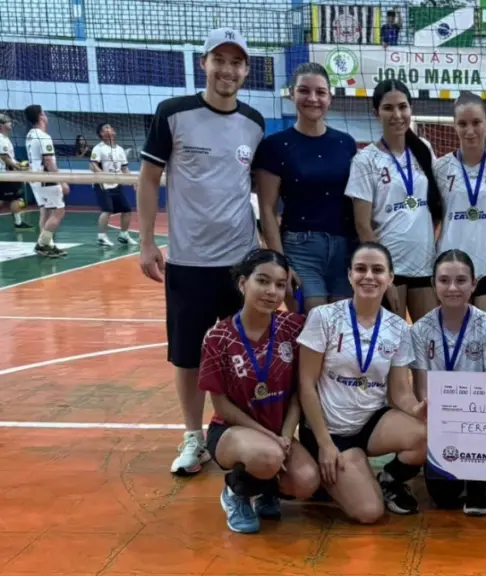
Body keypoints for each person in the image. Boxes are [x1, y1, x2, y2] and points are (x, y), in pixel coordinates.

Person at [137, 28, 265, 475]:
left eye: (237, 62)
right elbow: (150, 179)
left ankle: (236, 431)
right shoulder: (173, 113)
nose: (228, 70)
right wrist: (147, 241)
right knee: (188, 355)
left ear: (246, 70)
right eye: (220, 60)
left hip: (241, 265)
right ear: (203, 63)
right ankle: (193, 437)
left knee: (242, 353)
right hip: (188, 262)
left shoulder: (254, 122)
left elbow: (255, 191)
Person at [296, 242, 427, 521]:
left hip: (370, 423)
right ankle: (333, 471)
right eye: (361, 269)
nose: (369, 276)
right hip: (329, 430)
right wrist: (325, 444)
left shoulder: (399, 328)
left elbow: (400, 392)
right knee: (369, 513)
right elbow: (305, 384)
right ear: (349, 275)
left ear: (390, 278)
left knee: (428, 435)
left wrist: (417, 410)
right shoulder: (324, 317)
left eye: (378, 270)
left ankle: (389, 480)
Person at [198, 249, 320, 533]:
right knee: (267, 457)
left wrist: (286, 435)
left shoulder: (293, 327)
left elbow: (298, 392)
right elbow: (221, 405)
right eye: (262, 281)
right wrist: (269, 437)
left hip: (280, 432)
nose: (272, 292)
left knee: (306, 481)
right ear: (242, 283)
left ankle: (267, 490)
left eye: (280, 284)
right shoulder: (218, 337)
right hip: (232, 432)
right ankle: (235, 493)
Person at [255, 62, 360, 313]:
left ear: (330, 98)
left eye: (320, 92)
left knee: (341, 329)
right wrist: (280, 263)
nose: (312, 98)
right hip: (300, 249)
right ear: (292, 94)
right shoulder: (275, 146)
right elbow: (267, 210)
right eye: (304, 90)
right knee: (312, 323)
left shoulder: (346, 144)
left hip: (344, 249)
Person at [410, 249, 486, 515]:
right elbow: (420, 387)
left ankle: (479, 479)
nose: (452, 288)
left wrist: (470, 418)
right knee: (444, 497)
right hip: (439, 417)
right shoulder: (420, 330)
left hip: (479, 416)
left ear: (474, 284)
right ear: (433, 284)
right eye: (444, 280)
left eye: (461, 280)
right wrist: (440, 420)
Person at [346, 80, 444, 324]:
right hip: (392, 268)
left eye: (403, 107)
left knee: (430, 346)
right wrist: (383, 275)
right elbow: (362, 225)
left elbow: (436, 206)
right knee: (391, 347)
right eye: (388, 108)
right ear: (376, 113)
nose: (397, 115)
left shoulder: (424, 150)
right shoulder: (365, 160)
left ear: (411, 109)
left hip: (424, 265)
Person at [433, 92, 486, 325]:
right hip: (451, 267)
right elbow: (435, 217)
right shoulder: (440, 167)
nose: (470, 130)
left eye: (476, 122)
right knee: (454, 343)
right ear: (454, 125)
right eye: (463, 123)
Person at [24, 104, 69, 257]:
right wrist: (61, 181)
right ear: (40, 116)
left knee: (45, 211)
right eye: (44, 113)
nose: (46, 116)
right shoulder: (44, 136)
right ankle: (42, 244)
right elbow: (48, 161)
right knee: (59, 211)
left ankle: (48, 244)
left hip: (35, 178)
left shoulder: (30, 135)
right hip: (46, 179)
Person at [90, 122, 137, 247]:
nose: (108, 129)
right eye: (105, 128)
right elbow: (92, 165)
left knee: (126, 209)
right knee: (107, 210)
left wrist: (133, 181)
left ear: (114, 132)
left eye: (110, 127)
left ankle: (124, 235)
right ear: (101, 134)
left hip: (117, 184)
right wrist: (103, 175)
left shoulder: (120, 150)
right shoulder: (98, 148)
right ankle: (101, 237)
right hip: (102, 185)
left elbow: (125, 168)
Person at [0, 113, 31, 230]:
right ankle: (18, 223)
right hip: (5, 174)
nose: (11, 123)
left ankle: (18, 223)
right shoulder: (1, 139)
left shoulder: (5, 138)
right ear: (1, 125)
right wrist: (18, 167)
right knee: (12, 198)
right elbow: (4, 158)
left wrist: (18, 164)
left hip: (7, 173)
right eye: (8, 122)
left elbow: (9, 157)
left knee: (12, 198)